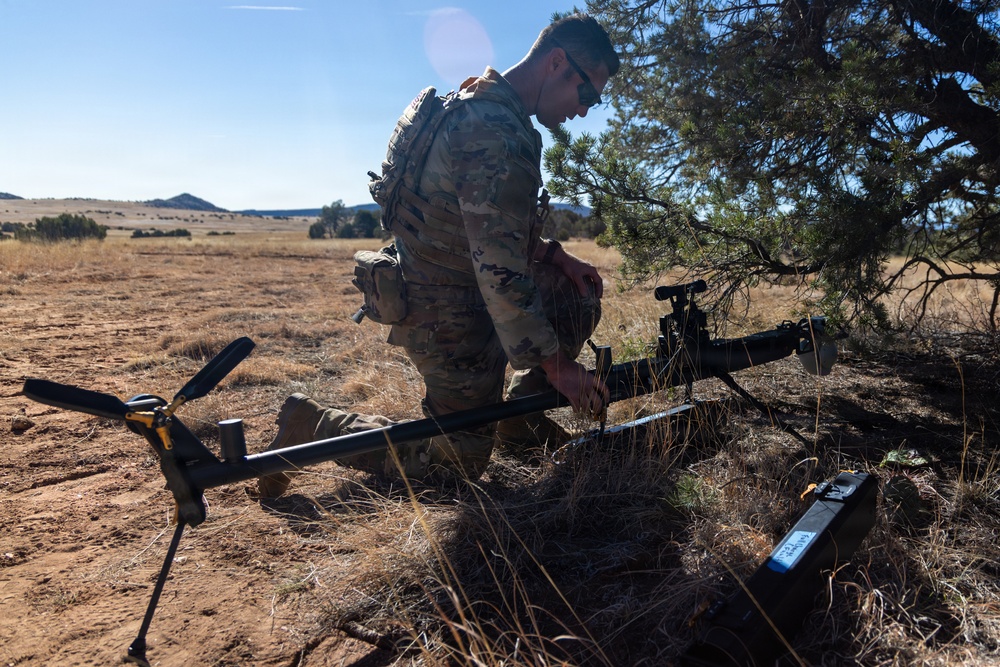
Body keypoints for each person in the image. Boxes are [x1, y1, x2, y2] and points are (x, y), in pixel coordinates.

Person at [258, 13, 620, 497]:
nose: (586, 110)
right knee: (453, 466)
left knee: (576, 295)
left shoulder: (482, 107)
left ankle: (518, 422)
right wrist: (560, 370)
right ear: (558, 63)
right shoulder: (495, 128)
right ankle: (313, 425)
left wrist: (555, 256)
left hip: (458, 284)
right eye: (588, 94)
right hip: (443, 309)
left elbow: (477, 226)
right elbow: (498, 267)